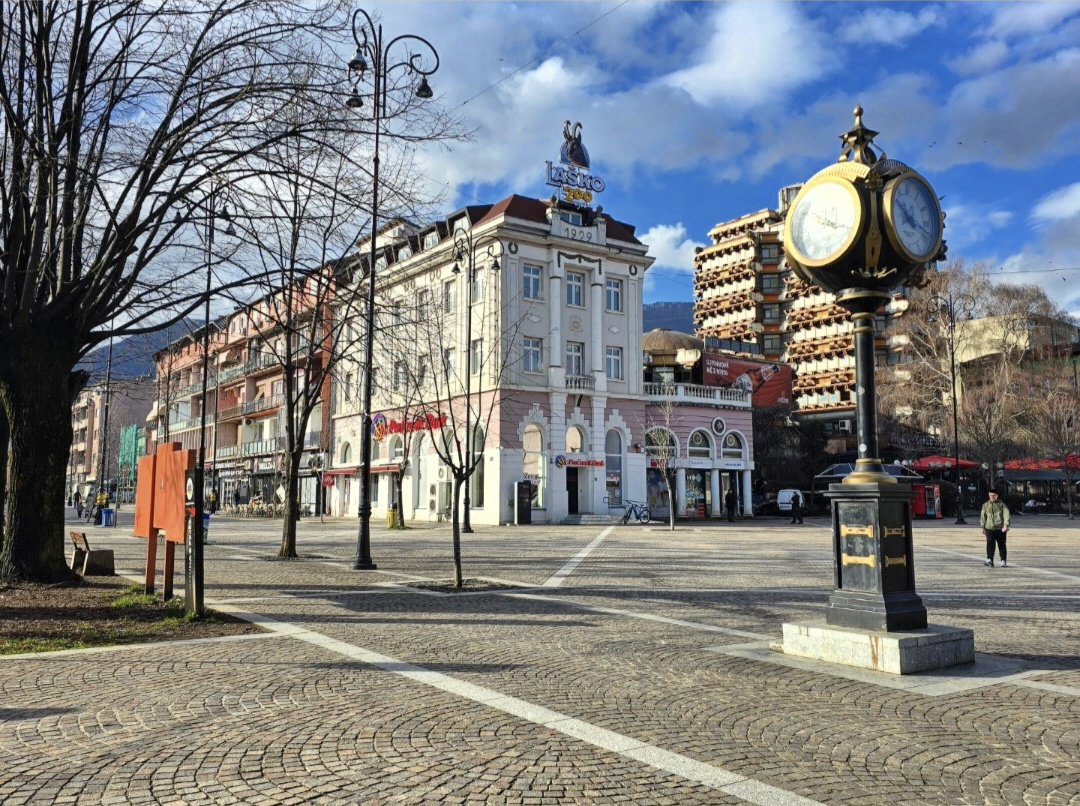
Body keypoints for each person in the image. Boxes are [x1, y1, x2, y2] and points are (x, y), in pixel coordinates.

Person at [980, 490, 1010, 567]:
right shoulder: (985, 505)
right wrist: (983, 527)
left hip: (1000, 528)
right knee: (990, 544)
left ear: (997, 496)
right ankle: (990, 559)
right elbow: (983, 517)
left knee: (1002, 544)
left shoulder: (1002, 505)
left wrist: (1006, 525)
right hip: (989, 528)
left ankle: (1003, 560)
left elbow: (1006, 515)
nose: (992, 497)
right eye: (990, 495)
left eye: (993, 495)